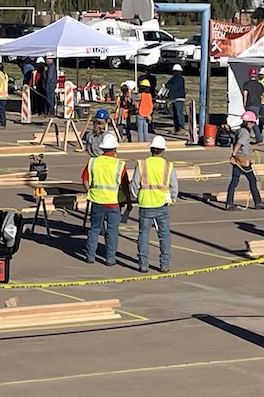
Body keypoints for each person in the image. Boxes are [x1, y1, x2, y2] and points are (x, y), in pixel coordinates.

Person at [81, 132, 130, 265]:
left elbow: (85, 180)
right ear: (115, 148)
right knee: (112, 231)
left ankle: (90, 256)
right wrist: (128, 200)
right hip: (114, 203)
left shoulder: (93, 162)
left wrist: (90, 192)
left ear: (102, 148)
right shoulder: (119, 164)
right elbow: (125, 185)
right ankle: (110, 258)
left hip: (97, 201)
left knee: (94, 229)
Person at [133, 135, 178, 272]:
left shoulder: (142, 164)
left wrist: (138, 197)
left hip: (145, 203)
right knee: (164, 235)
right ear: (163, 150)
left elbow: (134, 185)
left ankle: (143, 264)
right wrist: (172, 198)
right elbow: (174, 186)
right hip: (162, 204)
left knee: (143, 235)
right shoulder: (168, 166)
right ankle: (164, 264)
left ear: (151, 149)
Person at [222, 112, 264, 211]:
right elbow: (239, 143)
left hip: (239, 158)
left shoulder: (239, 130)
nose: (253, 125)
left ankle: (229, 203)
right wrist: (233, 155)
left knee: (234, 181)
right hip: (242, 160)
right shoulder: (245, 132)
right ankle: (258, 202)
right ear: (248, 122)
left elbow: (237, 140)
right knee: (252, 180)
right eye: (252, 123)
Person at [166, 64, 189, 136]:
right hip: (175, 98)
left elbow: (171, 86)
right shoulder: (176, 78)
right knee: (175, 114)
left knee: (179, 114)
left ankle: (181, 128)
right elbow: (168, 84)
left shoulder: (179, 78)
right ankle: (177, 128)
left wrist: (169, 86)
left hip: (178, 98)